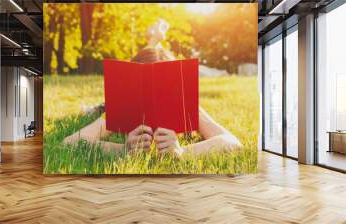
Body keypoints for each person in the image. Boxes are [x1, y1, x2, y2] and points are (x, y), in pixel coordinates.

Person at [64, 19, 242, 156]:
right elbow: (70, 143)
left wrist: (183, 152)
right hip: (118, 103)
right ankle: (154, 40)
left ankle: (155, 39)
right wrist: (123, 150)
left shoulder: (186, 105)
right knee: (105, 104)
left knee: (154, 59)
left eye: (163, 87)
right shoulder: (122, 106)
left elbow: (233, 143)